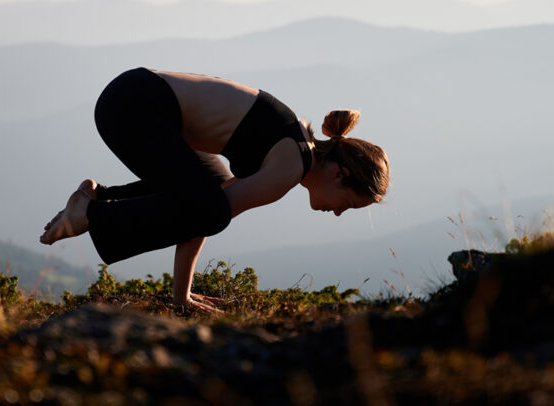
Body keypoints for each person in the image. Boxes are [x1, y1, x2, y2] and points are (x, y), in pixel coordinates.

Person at [41, 67, 389, 314]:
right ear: (340, 174)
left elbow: (197, 210)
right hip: (134, 108)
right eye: (349, 204)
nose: (340, 213)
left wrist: (182, 297)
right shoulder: (289, 168)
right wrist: (183, 297)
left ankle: (96, 198)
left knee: (207, 194)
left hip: (134, 96)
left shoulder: (297, 148)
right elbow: (205, 217)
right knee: (212, 208)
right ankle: (88, 213)